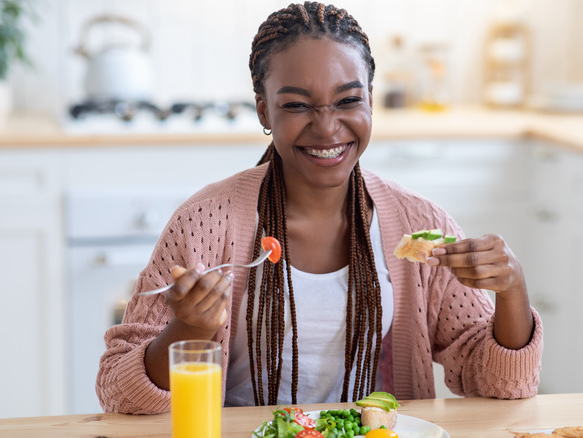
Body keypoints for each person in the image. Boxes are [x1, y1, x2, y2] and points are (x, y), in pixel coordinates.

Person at [96, 1, 542, 414]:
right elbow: (118, 390)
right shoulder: (204, 224)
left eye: (349, 100)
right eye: (296, 105)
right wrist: (188, 330)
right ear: (264, 112)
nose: (327, 127)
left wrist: (513, 288)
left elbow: (501, 386)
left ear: (370, 99)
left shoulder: (419, 223)